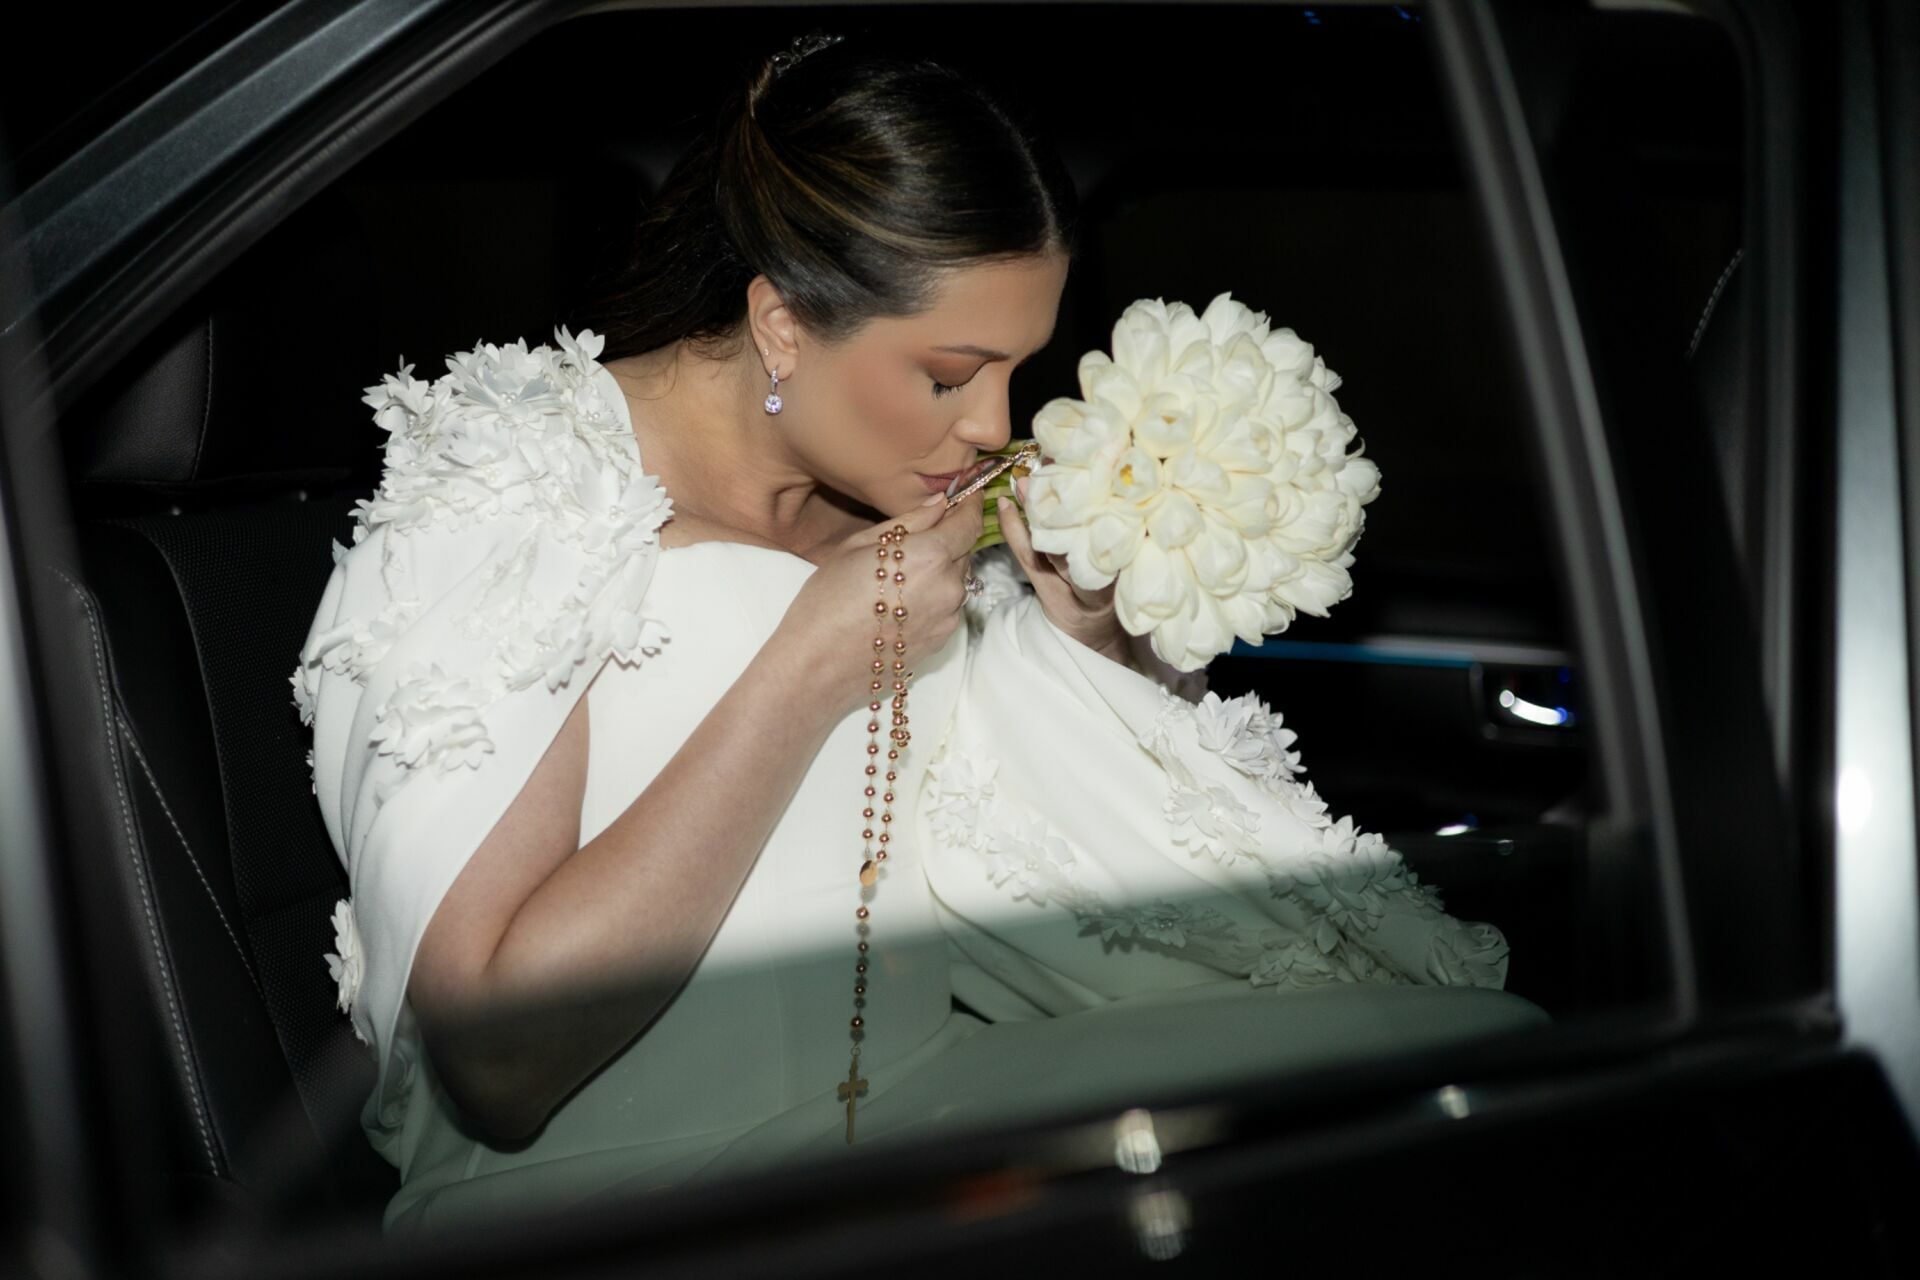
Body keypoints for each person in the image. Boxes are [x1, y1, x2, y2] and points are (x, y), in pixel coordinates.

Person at [293, 30, 1538, 1240]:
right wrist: (804, 676)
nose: (993, 423)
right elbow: (498, 1057)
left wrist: (1095, 647)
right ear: (783, 324)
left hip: (907, 1111)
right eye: (949, 375)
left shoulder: (907, 508)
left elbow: (1022, 867)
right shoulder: (513, 490)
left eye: (1017, 367)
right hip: (623, 1209)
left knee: (1464, 1077)